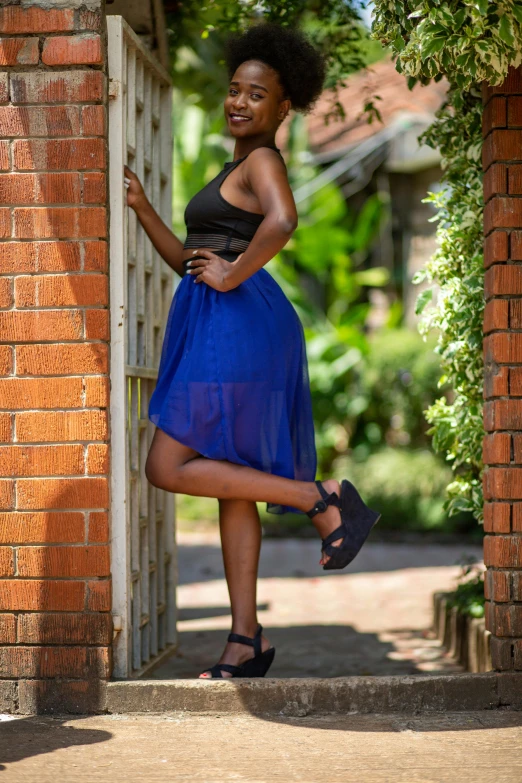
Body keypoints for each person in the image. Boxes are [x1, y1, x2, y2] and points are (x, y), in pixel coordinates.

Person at [123, 22, 380, 679]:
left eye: (256, 94)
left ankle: (320, 498)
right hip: (228, 317)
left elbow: (284, 220)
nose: (240, 102)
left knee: (167, 463)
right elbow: (192, 260)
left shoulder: (263, 161)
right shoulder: (237, 166)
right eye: (234, 90)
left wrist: (233, 275)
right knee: (228, 477)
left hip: (236, 322)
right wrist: (143, 207)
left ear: (282, 107)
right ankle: (245, 640)